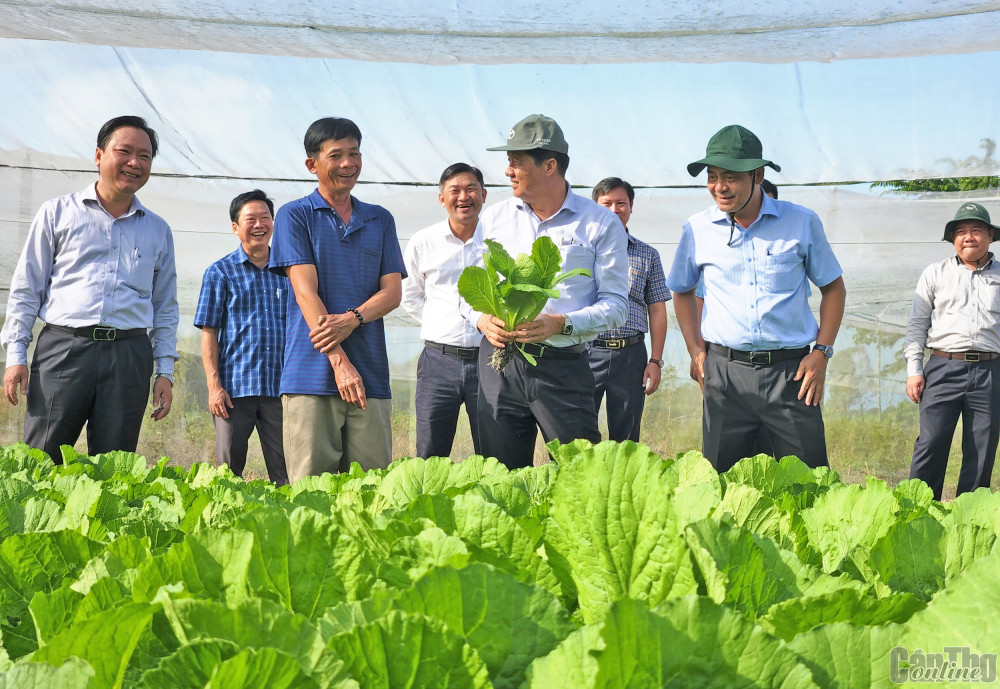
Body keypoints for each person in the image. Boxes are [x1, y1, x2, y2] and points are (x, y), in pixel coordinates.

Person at [667, 124, 846, 472]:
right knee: (721, 482)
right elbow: (682, 291)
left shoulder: (801, 222)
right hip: (725, 375)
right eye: (712, 176)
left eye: (731, 177)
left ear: (758, 175)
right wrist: (695, 351)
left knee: (807, 482)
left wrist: (821, 353)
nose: (719, 187)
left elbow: (834, 289)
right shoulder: (697, 229)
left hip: (791, 376)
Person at [1, 115, 178, 461]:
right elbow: (26, 288)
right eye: (124, 151)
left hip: (129, 355)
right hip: (64, 349)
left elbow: (165, 307)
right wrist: (15, 355)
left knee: (115, 465)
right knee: (42, 457)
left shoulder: (158, 230)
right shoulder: (57, 213)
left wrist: (165, 371)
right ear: (98, 155)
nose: (134, 163)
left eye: (144, 156)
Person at [466, 114, 628, 469]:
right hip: (499, 364)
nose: (508, 171)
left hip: (562, 368)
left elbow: (617, 306)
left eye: (516, 163)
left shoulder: (599, 223)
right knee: (500, 476)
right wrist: (481, 319)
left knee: (580, 476)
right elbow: (466, 290)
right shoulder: (493, 219)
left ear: (550, 165)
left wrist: (561, 323)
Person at [270, 117, 405, 482]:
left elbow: (392, 293)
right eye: (336, 155)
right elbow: (304, 291)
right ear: (312, 164)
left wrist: (353, 318)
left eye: (355, 153)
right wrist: (339, 362)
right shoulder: (294, 215)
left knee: (372, 489)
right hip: (311, 377)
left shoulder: (380, 219)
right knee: (311, 492)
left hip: (371, 376)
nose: (348, 163)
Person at [905, 202, 1000, 500]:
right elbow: (917, 324)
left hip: (990, 370)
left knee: (981, 448)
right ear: (953, 239)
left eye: (976, 230)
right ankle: (917, 511)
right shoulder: (935, 273)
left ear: (989, 236)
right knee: (931, 442)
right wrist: (914, 371)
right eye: (961, 231)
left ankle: (966, 518)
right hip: (942, 367)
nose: (968, 237)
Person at [194, 190, 289, 485]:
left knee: (288, 470)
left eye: (265, 218)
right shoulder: (219, 272)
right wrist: (214, 386)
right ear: (235, 227)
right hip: (234, 390)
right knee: (228, 471)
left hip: (282, 388)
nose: (259, 224)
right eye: (251, 219)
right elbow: (208, 331)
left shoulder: (291, 271)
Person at [402, 163, 486, 458]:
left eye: (471, 189)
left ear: (484, 195)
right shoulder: (423, 241)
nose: (464, 197)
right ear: (442, 199)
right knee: (430, 452)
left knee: (494, 450)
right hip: (438, 360)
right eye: (455, 190)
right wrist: (441, 323)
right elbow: (410, 295)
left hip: (489, 359)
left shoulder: (498, 241)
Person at [589, 177, 669, 442]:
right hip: (586, 351)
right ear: (594, 207)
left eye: (621, 203)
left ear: (631, 207)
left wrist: (655, 361)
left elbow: (657, 310)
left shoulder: (647, 254)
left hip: (631, 354)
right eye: (606, 203)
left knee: (626, 437)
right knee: (577, 431)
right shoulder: (582, 251)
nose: (614, 210)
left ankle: (622, 483)